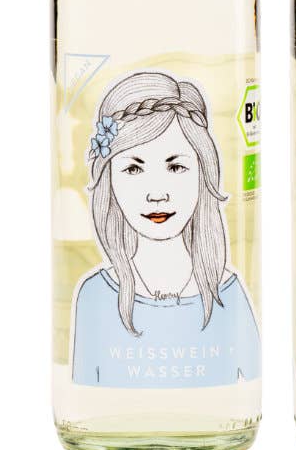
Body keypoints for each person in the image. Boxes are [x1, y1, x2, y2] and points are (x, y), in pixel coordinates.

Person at [72, 70, 260, 388]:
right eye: (134, 168)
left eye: (175, 166)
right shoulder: (95, 296)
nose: (157, 193)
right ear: (110, 179)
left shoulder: (229, 295)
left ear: (203, 172)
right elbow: (83, 393)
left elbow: (248, 385)